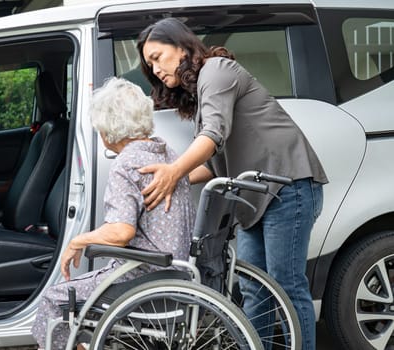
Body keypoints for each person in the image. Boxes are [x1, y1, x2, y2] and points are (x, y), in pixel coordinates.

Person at [136, 18, 327, 350]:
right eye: (148, 64)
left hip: (288, 186)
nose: (154, 69)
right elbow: (212, 165)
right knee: (253, 289)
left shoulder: (217, 71)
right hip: (255, 197)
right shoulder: (201, 90)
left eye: (157, 57)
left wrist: (174, 172)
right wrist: (165, 181)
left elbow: (212, 136)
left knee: (286, 285)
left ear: (181, 47)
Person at [30, 77, 195, 349]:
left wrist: (77, 241)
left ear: (108, 130)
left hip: (143, 277)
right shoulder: (165, 151)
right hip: (175, 272)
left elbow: (121, 232)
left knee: (54, 300)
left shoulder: (126, 165)